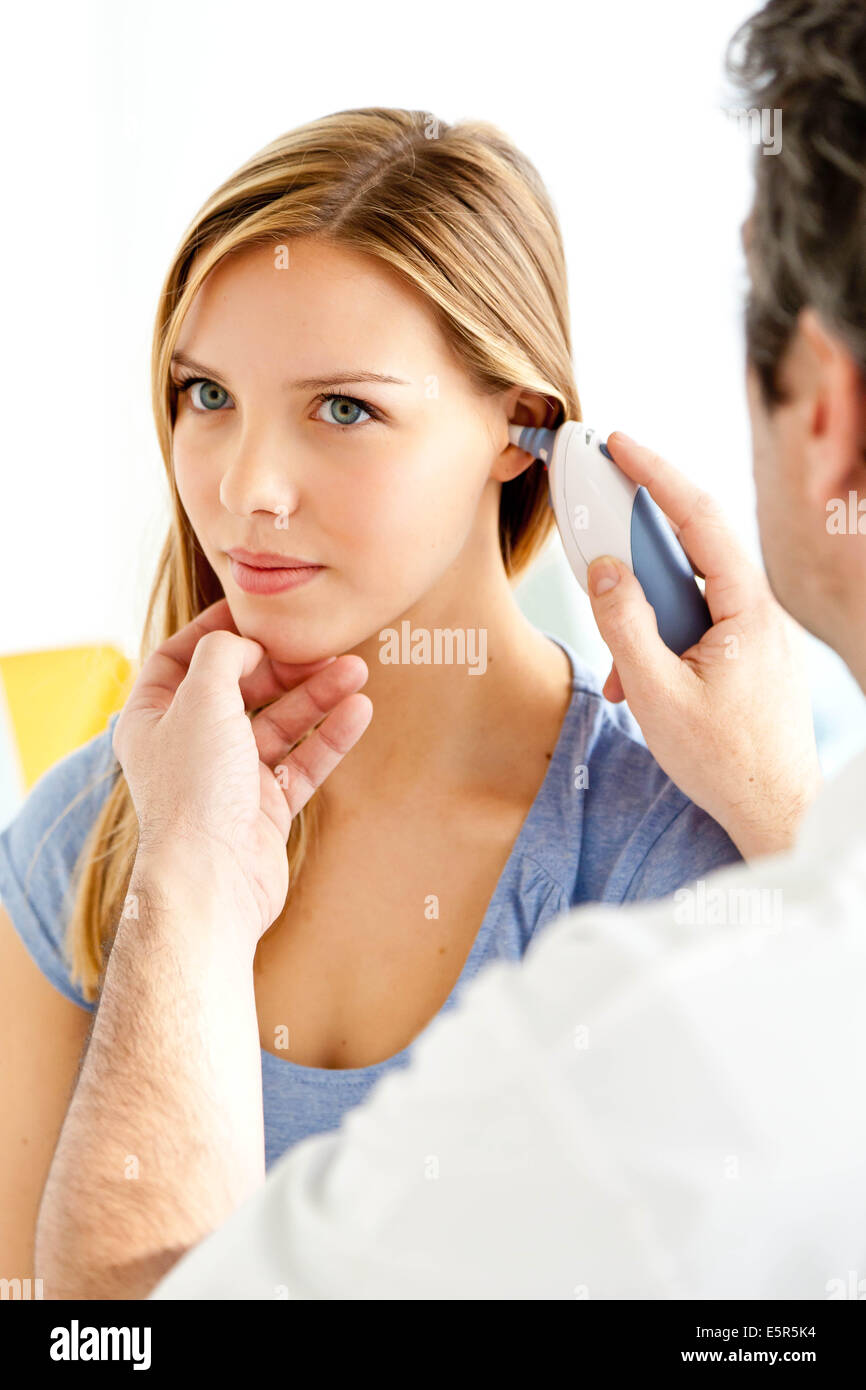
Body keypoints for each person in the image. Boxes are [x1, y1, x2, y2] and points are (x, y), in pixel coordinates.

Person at [25, 0, 866, 1298]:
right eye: (206, 395)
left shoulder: (687, 852)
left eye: (345, 408)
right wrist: (170, 897)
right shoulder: (83, 836)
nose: (247, 484)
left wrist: (770, 816)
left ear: (520, 428)